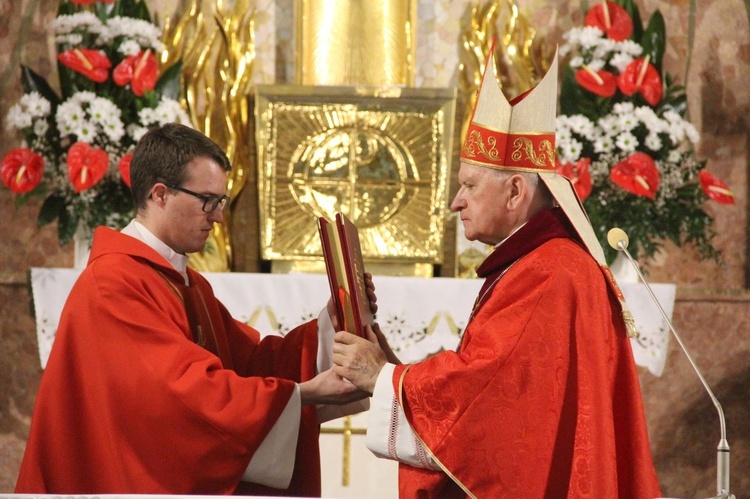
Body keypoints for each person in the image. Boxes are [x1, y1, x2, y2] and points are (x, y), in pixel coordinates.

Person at [332, 47, 662, 497]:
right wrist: (390, 366)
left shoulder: (549, 272)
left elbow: (484, 398)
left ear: (513, 192)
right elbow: (501, 389)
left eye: (469, 184)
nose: (456, 202)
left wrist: (382, 377)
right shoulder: (544, 261)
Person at [15, 123, 372, 495]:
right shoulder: (113, 283)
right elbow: (180, 397)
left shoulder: (185, 283)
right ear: (160, 194)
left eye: (221, 202)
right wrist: (305, 394)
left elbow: (249, 364)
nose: (218, 218)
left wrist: (333, 323)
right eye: (208, 201)